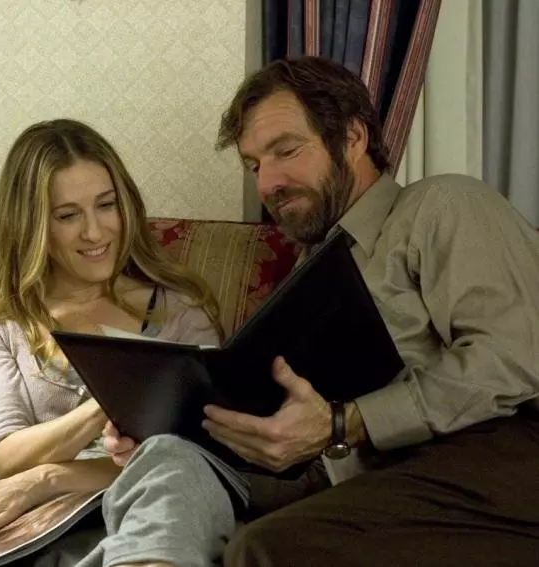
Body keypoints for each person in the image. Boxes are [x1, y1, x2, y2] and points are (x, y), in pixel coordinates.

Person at [105, 57, 539, 566]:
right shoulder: (312, 272)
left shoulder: (441, 205)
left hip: (501, 453)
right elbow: (306, 438)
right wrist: (166, 434)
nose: (267, 184)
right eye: (254, 165)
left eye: (286, 151)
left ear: (353, 137)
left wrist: (342, 423)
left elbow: (513, 359)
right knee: (176, 467)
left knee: (266, 549)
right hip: (371, 479)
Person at [0, 119, 244, 567]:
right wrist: (109, 400)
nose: (95, 232)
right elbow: (5, 457)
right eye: (68, 215)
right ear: (31, 225)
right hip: (65, 527)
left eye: (106, 205)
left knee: (172, 461)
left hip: (177, 508)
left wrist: (49, 477)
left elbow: (205, 452)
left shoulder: (179, 311)